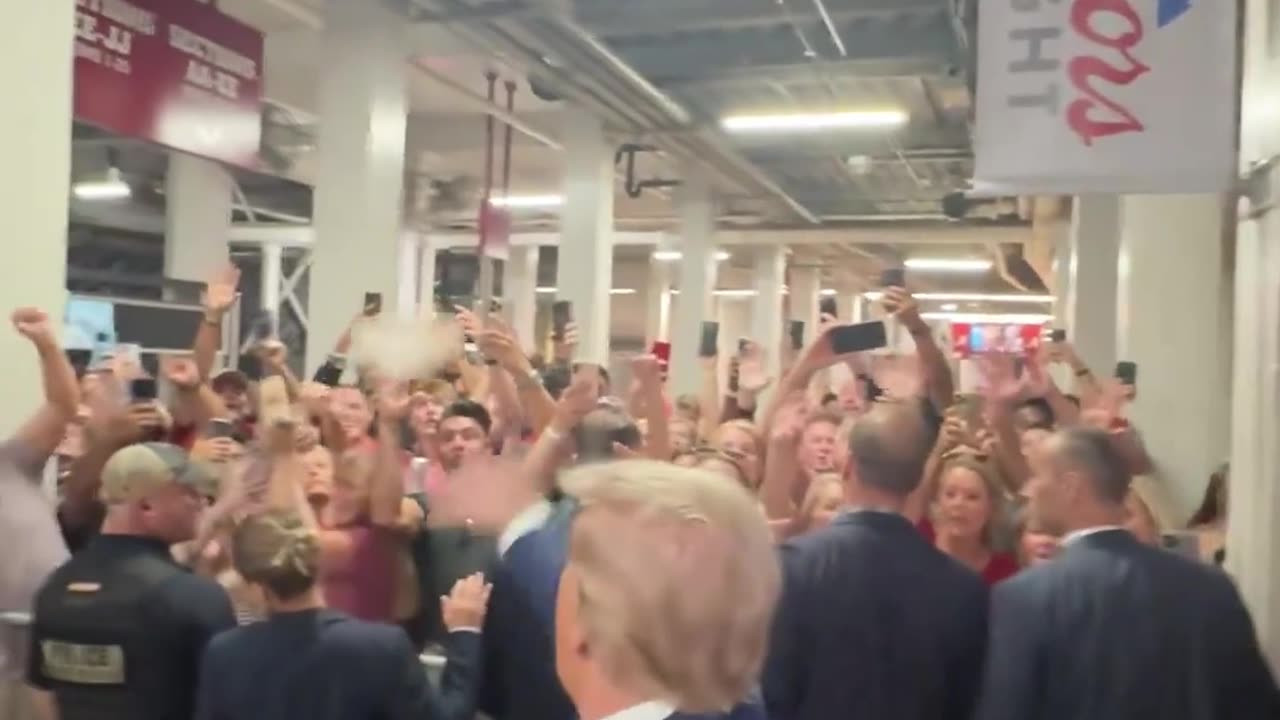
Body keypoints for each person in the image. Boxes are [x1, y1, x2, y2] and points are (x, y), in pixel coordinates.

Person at [977, 427, 1280, 720]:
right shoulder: (1210, 586)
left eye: (1037, 476)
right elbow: (1254, 706)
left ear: (1071, 486)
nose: (1031, 490)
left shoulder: (1027, 598)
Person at [763, 402, 988, 720]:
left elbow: (772, 688)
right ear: (916, 480)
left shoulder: (794, 566)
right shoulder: (964, 587)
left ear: (848, 467)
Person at [194, 510, 489, 720]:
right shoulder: (381, 646)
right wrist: (465, 634)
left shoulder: (224, 654)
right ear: (320, 565)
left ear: (253, 584)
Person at [26, 442, 235, 720]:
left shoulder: (54, 590)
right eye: (189, 492)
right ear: (147, 506)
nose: (201, 501)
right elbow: (231, 702)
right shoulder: (193, 598)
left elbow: (43, 699)